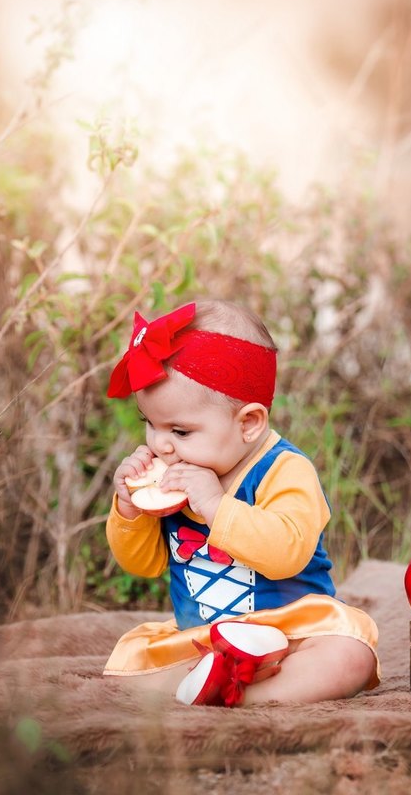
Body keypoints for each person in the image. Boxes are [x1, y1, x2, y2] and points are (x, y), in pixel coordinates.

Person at [102, 299, 380, 706]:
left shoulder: (284, 469)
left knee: (350, 655)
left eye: (179, 430)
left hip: (292, 632)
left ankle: (244, 697)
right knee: (128, 670)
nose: (160, 444)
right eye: (150, 424)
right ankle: (213, 684)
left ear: (248, 423)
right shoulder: (172, 468)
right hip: (205, 639)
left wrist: (216, 505)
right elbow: (144, 564)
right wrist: (129, 506)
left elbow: (288, 554)